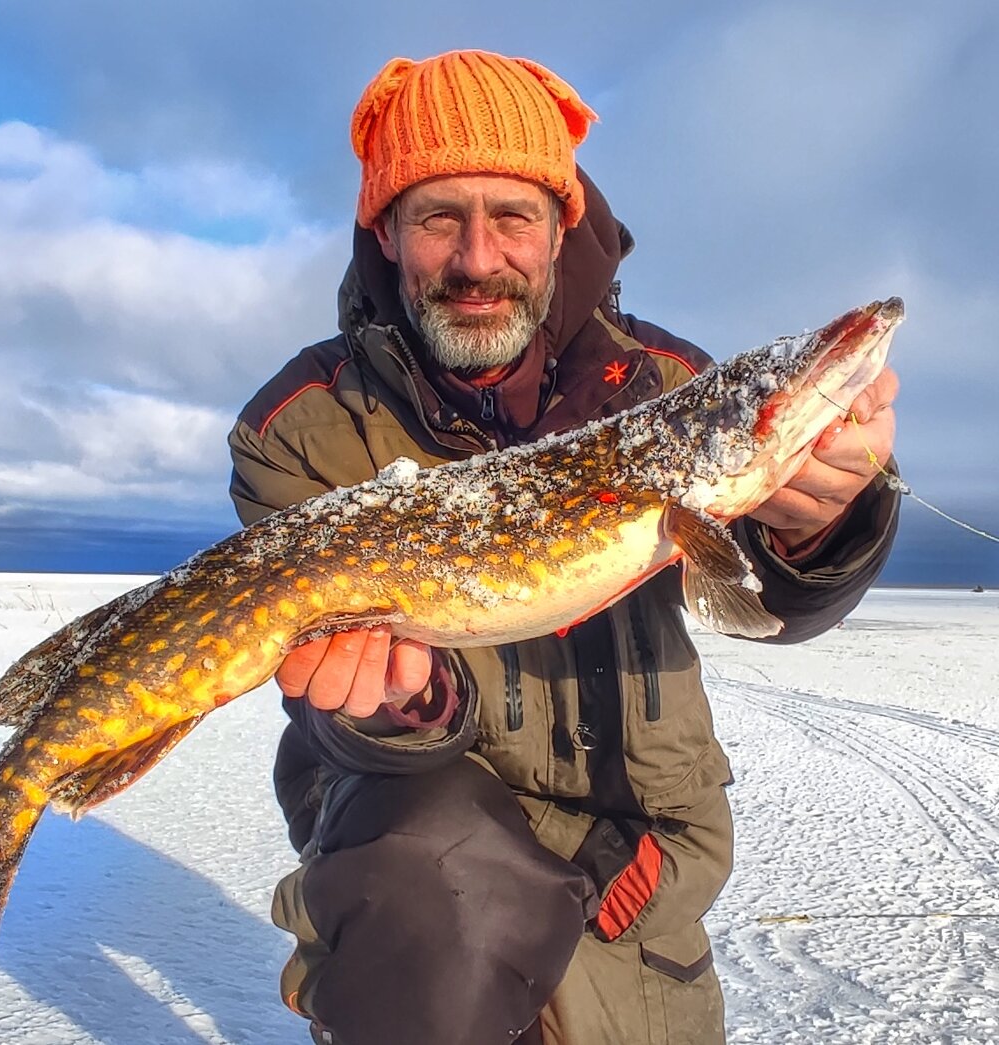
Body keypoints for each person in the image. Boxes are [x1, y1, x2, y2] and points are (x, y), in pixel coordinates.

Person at [228, 49, 899, 1045]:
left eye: (512, 215)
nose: (477, 258)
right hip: (414, 885)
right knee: (430, 878)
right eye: (438, 216)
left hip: (641, 873)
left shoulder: (666, 386)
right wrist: (404, 702)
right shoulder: (307, 424)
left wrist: (821, 515)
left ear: (560, 228)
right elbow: (340, 728)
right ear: (386, 235)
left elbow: (770, 598)